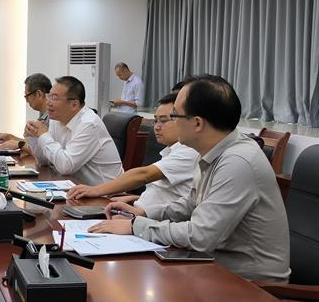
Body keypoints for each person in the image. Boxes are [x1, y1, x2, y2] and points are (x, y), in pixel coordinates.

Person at [90, 75, 290, 282]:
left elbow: (200, 236)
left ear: (197, 123)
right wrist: (143, 212)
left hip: (249, 285)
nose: (170, 122)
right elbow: (191, 204)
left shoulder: (237, 162)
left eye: (175, 116)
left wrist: (135, 226)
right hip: (211, 266)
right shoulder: (210, 150)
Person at [66, 91, 198, 209]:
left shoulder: (190, 151)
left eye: (163, 121)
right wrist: (136, 199)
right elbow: (168, 194)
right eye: (155, 121)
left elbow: (144, 175)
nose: (156, 127)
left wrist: (95, 190)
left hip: (149, 220)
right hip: (138, 210)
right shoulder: (171, 150)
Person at [24, 76, 123, 185]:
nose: (48, 103)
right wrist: (33, 137)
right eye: (49, 96)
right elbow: (44, 161)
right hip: (76, 187)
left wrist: (44, 135)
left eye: (54, 98)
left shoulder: (89, 124)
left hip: (106, 192)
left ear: (74, 104)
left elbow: (66, 167)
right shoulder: (56, 120)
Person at [0, 73, 51, 153]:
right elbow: (35, 145)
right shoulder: (43, 115)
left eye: (27, 96)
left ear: (39, 94)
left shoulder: (53, 117)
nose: (26, 100)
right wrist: (10, 138)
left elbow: (47, 150)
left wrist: (19, 144)